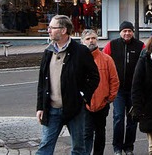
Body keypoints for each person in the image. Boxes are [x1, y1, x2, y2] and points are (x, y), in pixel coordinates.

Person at [36, 15, 99, 155]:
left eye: (52, 27)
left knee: (78, 148)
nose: (49, 30)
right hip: (51, 109)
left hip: (74, 109)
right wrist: (40, 106)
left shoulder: (80, 51)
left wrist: (83, 96)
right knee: (44, 146)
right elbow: (42, 82)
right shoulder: (48, 51)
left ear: (63, 30)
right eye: (49, 27)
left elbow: (94, 77)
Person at [103, 21, 145, 155]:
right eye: (124, 31)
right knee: (119, 117)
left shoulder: (140, 46)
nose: (127, 33)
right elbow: (104, 63)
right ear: (120, 32)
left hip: (134, 90)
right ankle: (117, 147)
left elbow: (145, 66)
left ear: (133, 32)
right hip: (118, 90)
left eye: (129, 31)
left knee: (132, 119)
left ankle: (129, 147)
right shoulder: (112, 45)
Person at [82, 29, 120, 155]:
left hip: (102, 103)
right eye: (87, 39)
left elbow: (114, 80)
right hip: (85, 104)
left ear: (97, 39)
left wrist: (110, 98)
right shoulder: (79, 59)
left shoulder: (107, 59)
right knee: (86, 132)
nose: (91, 41)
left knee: (100, 132)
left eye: (93, 38)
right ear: (82, 41)